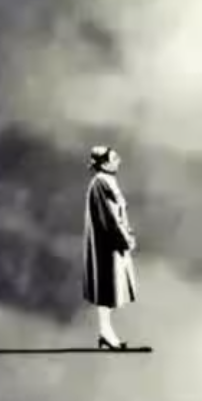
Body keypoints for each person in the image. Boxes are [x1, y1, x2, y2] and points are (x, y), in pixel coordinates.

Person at [83, 146, 138, 350]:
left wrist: (127, 234)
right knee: (107, 289)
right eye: (114, 158)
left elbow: (119, 214)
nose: (119, 161)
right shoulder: (100, 183)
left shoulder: (107, 181)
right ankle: (105, 333)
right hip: (107, 245)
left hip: (113, 242)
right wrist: (124, 240)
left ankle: (106, 332)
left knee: (111, 290)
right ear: (104, 163)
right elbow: (109, 217)